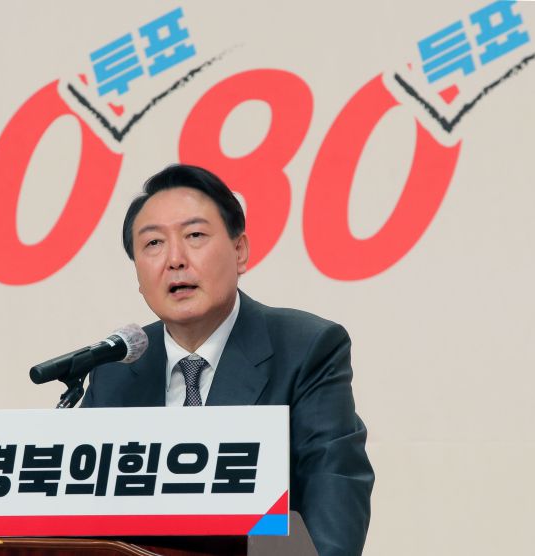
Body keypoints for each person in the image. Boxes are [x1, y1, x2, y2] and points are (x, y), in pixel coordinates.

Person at [81, 164, 374, 556]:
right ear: (137, 273)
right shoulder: (114, 370)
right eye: (153, 243)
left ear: (240, 252)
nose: (175, 259)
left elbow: (334, 488)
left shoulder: (306, 348)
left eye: (195, 235)